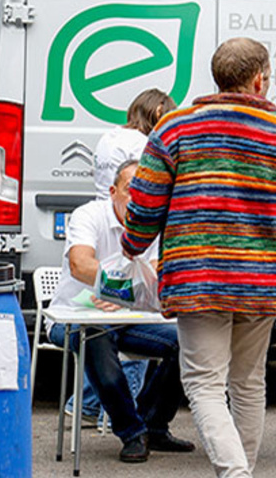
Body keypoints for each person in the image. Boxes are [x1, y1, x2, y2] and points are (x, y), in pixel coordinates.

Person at [121, 38, 276, 478]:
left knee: (202, 383)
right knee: (248, 382)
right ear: (260, 79)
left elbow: (145, 202)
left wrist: (134, 242)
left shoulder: (174, 128)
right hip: (263, 282)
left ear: (218, 77)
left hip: (199, 277)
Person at [48, 159, 195, 462]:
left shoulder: (154, 224)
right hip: (73, 317)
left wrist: (120, 296)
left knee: (190, 341)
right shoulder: (88, 215)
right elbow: (80, 264)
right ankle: (131, 431)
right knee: (96, 336)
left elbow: (157, 274)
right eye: (132, 190)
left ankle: (153, 424)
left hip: (128, 319)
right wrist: (121, 290)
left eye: (147, 190)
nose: (139, 198)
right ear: (113, 191)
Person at [68, 88, 178, 424]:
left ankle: (131, 417)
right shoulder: (143, 147)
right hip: (114, 261)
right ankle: (125, 421)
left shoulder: (109, 137)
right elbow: (80, 265)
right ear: (158, 109)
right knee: (109, 334)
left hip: (116, 243)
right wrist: (121, 292)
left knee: (176, 337)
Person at [93, 88, 177, 199]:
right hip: (125, 211)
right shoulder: (141, 144)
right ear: (158, 114)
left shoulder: (107, 137)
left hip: (103, 208)